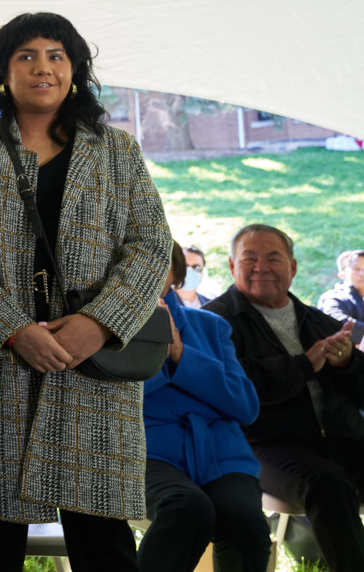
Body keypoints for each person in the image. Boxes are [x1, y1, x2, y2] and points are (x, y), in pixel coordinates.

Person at [0, 12, 172, 572]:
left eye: (56, 56)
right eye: (27, 56)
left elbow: (152, 244)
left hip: (91, 372)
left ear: (76, 70)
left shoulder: (117, 152)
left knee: (104, 545)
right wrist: (14, 330)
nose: (43, 67)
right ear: (2, 73)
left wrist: (101, 323)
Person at [205, 224, 364, 572]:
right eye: (250, 258)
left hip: (341, 438)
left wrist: (347, 363)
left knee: (333, 474)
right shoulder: (213, 322)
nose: (261, 267)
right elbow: (236, 386)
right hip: (263, 447)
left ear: (292, 268)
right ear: (232, 267)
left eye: (273, 258)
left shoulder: (317, 320)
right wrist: (305, 364)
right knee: (327, 483)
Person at [139, 241, 271, 572]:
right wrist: (160, 354)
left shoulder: (211, 326)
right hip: (147, 453)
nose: (149, 272)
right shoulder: (102, 332)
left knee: (245, 523)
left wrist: (181, 354)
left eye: (161, 264)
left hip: (222, 457)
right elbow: (112, 399)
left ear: (175, 274)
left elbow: (245, 405)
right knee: (187, 508)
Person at [316, 249, 364, 348]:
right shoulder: (332, 298)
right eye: (356, 268)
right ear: (343, 274)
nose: (362, 273)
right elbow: (338, 323)